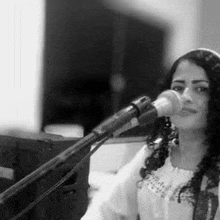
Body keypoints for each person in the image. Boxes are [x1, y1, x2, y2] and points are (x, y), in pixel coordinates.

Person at [81, 48, 220, 220]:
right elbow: (106, 209)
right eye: (178, 87)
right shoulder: (155, 154)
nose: (185, 97)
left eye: (201, 89)